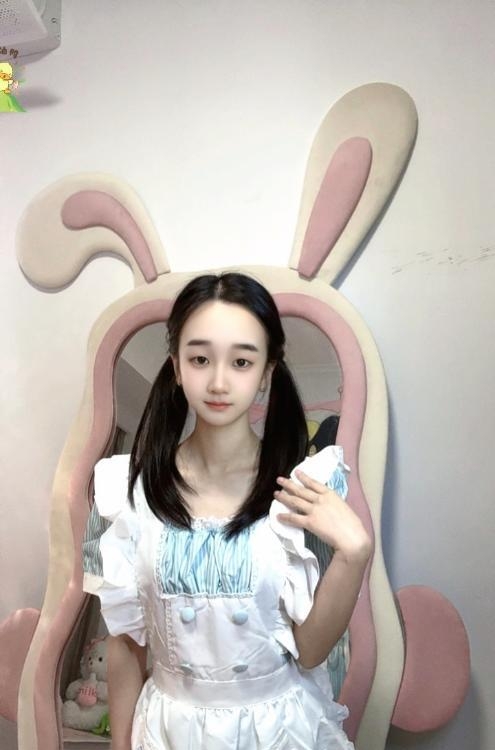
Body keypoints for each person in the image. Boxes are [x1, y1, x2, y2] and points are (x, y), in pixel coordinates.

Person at [82, 272, 371, 750]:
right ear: (177, 367)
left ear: (266, 373)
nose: (219, 382)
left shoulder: (303, 489)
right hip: (167, 731)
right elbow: (126, 644)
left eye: (241, 361)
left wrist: (355, 554)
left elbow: (311, 651)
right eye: (200, 359)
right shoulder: (126, 490)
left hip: (275, 732)